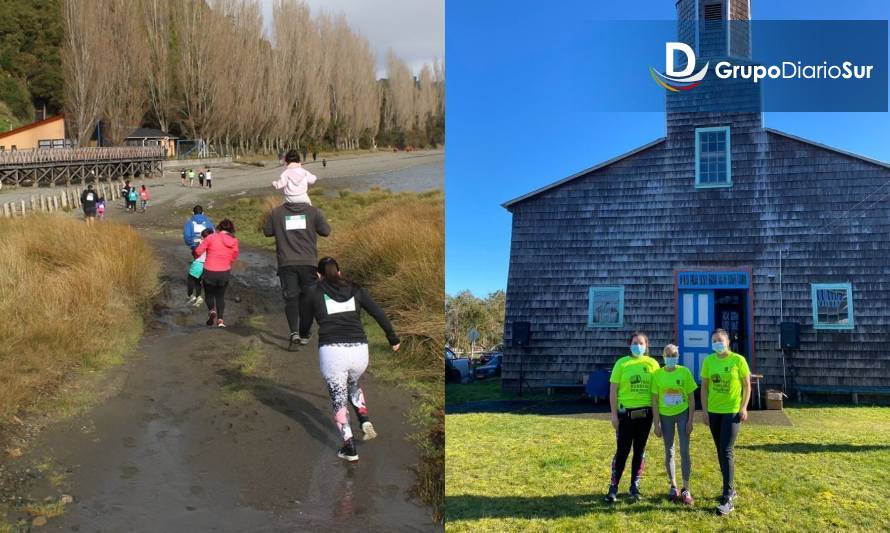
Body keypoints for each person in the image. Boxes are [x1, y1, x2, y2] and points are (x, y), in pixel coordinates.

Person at [308, 256, 400, 462]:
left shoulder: (315, 291)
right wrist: (393, 338)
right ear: (339, 272)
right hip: (360, 352)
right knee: (352, 383)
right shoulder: (356, 289)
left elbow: (305, 320)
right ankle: (365, 420)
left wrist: (303, 334)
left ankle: (349, 447)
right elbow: (378, 313)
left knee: (338, 398)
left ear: (319, 275)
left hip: (332, 352)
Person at [262, 195, 331, 347]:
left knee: (291, 299)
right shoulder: (313, 212)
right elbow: (326, 231)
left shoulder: (277, 212)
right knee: (308, 298)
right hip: (308, 262)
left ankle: (294, 333)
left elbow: (267, 231)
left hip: (286, 263)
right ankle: (305, 333)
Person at [605, 331, 660, 503]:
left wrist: (657, 420)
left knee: (639, 451)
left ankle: (634, 486)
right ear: (630, 345)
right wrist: (614, 415)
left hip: (645, 415)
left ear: (646, 346)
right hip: (624, 415)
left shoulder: (652, 364)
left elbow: (656, 392)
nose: (638, 346)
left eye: (641, 343)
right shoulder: (622, 363)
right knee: (622, 451)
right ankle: (613, 487)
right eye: (635, 343)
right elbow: (613, 391)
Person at [701, 328, 751, 516]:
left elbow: (747, 386)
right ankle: (730, 489)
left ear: (728, 342)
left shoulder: (738, 360)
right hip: (714, 412)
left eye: (720, 340)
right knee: (720, 451)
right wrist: (704, 411)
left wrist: (744, 407)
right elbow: (704, 388)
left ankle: (728, 496)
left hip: (731, 412)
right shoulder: (708, 361)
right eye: (714, 341)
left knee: (726, 450)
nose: (717, 343)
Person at [651, 344, 697, 506]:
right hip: (665, 416)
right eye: (668, 354)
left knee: (685, 450)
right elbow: (655, 401)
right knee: (669, 451)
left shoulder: (684, 372)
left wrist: (691, 420)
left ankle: (686, 488)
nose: (671, 357)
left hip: (683, 414)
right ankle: (673, 486)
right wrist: (656, 424)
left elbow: (692, 398)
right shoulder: (656, 375)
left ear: (678, 356)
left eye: (674, 354)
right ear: (663, 356)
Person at [193, 219, 239, 328]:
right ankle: (220, 321)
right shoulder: (234, 241)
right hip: (224, 272)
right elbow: (234, 256)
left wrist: (195, 255)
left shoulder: (211, 237)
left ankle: (211, 311)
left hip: (209, 271)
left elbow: (198, 251)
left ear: (219, 227)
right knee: (220, 296)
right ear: (231, 228)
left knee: (209, 294)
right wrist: (227, 262)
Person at [186, 228, 213, 307]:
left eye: (202, 236)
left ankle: (191, 296)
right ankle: (198, 297)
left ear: (203, 236)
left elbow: (194, 253)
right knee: (198, 281)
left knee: (190, 280)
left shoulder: (200, 242)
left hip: (198, 263)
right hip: (207, 265)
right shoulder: (213, 243)